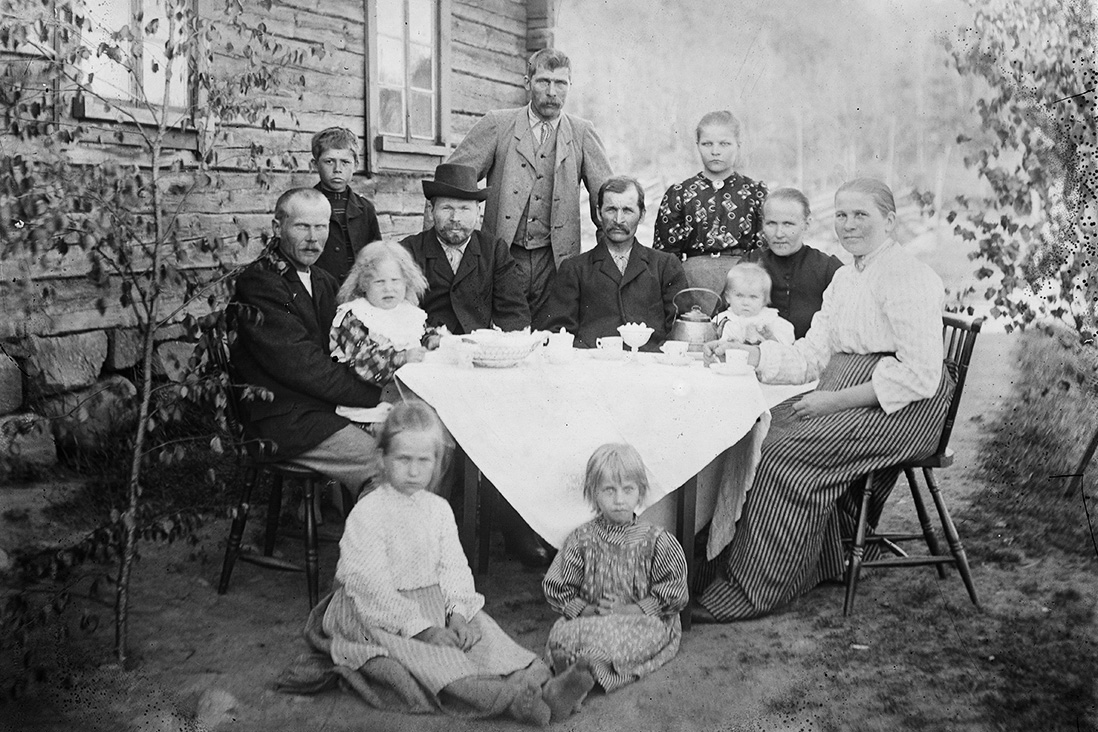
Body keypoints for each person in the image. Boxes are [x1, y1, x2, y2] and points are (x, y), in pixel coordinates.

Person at [692, 179, 954, 622]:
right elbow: (813, 354)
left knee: (783, 452)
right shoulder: (846, 278)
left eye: (861, 215)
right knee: (760, 427)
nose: (849, 225)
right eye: (842, 215)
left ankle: (754, 588)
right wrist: (750, 354)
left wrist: (831, 403)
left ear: (890, 221)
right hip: (848, 390)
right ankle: (807, 560)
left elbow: (919, 374)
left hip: (902, 407)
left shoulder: (909, 276)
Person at [321, 401, 596, 724]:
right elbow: (371, 587)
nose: (413, 471)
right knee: (432, 662)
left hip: (431, 601)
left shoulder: (438, 510)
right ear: (382, 459)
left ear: (436, 463)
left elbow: (453, 567)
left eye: (423, 461)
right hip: (379, 612)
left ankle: (547, 686)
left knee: (485, 636)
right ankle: (511, 701)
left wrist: (459, 615)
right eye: (403, 459)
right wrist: (423, 630)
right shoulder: (368, 513)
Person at [229, 188, 382, 492]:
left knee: (417, 442)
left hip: (321, 407)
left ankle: (347, 512)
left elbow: (352, 339)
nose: (313, 238)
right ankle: (362, 523)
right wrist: (376, 395)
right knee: (388, 464)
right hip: (283, 419)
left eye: (321, 227)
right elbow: (305, 367)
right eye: (302, 226)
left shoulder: (322, 280)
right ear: (278, 227)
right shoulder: (260, 283)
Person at [446, 48, 613, 318]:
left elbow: (608, 202)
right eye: (543, 81)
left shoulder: (582, 133)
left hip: (557, 263)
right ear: (527, 83)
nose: (552, 92)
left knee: (555, 334)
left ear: (570, 86)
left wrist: (606, 263)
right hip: (503, 259)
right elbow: (451, 182)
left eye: (561, 83)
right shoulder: (498, 124)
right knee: (503, 331)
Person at [542, 443, 688, 696]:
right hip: (594, 619)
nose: (619, 500)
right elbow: (559, 587)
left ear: (640, 492)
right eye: (609, 490)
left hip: (640, 621)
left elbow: (673, 594)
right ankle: (575, 671)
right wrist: (588, 611)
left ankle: (581, 673)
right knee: (562, 632)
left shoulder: (657, 541)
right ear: (593, 493)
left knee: (643, 634)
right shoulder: (581, 539)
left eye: (628, 489)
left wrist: (627, 611)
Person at [536, 176, 688, 350]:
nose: (618, 219)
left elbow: (680, 327)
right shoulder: (575, 269)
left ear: (642, 215)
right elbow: (557, 331)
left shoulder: (665, 266)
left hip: (649, 362)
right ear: (599, 213)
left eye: (627, 211)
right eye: (611, 210)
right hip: (593, 362)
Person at [400, 164, 530, 335]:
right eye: (447, 208)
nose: (455, 218)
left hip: (478, 346)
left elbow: (513, 312)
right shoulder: (408, 251)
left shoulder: (493, 250)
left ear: (478, 212)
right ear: (432, 211)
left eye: (464, 209)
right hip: (427, 346)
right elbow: (400, 313)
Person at [329, 240, 442, 426]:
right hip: (369, 401)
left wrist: (432, 339)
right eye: (379, 282)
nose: (389, 288)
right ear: (364, 284)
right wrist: (402, 357)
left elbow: (420, 332)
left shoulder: (407, 311)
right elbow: (362, 362)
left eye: (395, 281)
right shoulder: (355, 316)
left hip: (409, 396)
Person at [653, 110, 767, 294]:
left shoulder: (755, 193)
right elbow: (665, 258)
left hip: (743, 286)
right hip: (692, 285)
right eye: (707, 144)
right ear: (697, 145)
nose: (715, 151)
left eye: (724, 144)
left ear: (738, 144)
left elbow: (764, 252)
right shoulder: (680, 194)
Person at [744, 188, 843, 339]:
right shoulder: (750, 263)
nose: (779, 234)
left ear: (806, 224)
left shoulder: (828, 268)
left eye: (788, 224)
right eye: (771, 224)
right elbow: (724, 315)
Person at [310, 127, 383, 283]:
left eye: (345, 162)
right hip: (319, 289)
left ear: (355, 165)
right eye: (329, 161)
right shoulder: (305, 205)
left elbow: (376, 254)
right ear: (315, 164)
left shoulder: (365, 209)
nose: (337, 169)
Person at [712, 263, 796, 346]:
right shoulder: (722, 319)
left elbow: (787, 344)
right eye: (739, 296)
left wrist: (771, 337)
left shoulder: (769, 319)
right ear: (728, 297)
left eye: (753, 297)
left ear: (764, 300)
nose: (745, 303)